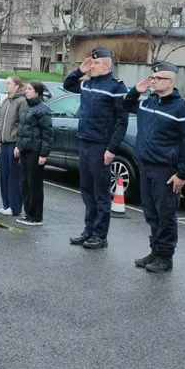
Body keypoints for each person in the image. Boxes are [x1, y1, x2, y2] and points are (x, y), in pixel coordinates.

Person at [122, 62, 185, 272]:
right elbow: (126, 106)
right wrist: (136, 91)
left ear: (171, 82)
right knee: (151, 212)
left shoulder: (183, 108)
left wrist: (182, 173)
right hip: (146, 165)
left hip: (166, 170)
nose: (153, 81)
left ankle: (165, 257)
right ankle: (155, 251)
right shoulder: (149, 102)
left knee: (165, 214)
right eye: (152, 78)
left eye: (158, 78)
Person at [63, 47, 128, 250]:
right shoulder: (88, 83)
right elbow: (68, 85)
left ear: (107, 66)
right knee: (86, 190)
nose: (92, 66)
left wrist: (112, 148)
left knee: (100, 193)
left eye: (96, 63)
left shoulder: (116, 87)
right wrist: (79, 71)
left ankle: (100, 235)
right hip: (85, 141)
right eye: (91, 62)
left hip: (101, 145)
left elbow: (122, 121)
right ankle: (89, 230)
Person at [15, 81, 54, 226]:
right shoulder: (26, 107)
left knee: (34, 184)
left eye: (29, 89)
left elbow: (48, 133)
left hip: (35, 151)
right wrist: (18, 145)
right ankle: (28, 214)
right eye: (26, 88)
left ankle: (36, 216)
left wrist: (44, 154)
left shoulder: (43, 109)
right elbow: (21, 129)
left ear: (36, 92)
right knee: (25, 183)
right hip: (25, 149)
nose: (26, 91)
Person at [0, 76, 26, 216]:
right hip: (4, 142)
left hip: (13, 142)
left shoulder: (21, 102)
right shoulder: (6, 101)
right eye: (5, 83)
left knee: (14, 176)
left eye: (9, 83)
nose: (6, 85)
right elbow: (1, 123)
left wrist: (19, 144)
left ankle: (15, 207)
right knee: (4, 175)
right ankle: (6, 204)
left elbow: (22, 124)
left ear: (17, 86)